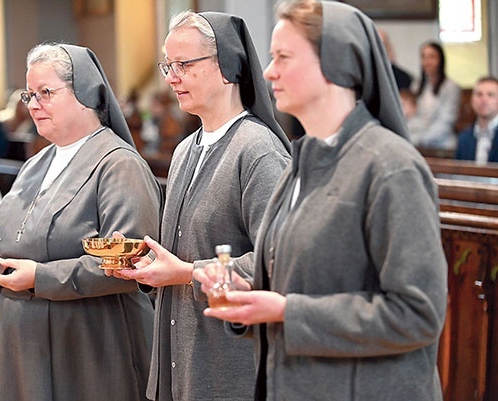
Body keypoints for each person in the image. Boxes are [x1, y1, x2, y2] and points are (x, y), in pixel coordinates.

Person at [194, 1, 447, 400]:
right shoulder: (302, 161)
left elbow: (417, 315)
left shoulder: (389, 167)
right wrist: (245, 294)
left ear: (337, 65)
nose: (267, 71)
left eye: (284, 57)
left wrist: (285, 311)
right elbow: (302, 282)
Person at [110, 11, 291, 401]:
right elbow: (180, 255)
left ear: (226, 66)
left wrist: (187, 273)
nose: (170, 77)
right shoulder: (183, 152)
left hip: (229, 365)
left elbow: (279, 262)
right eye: (167, 65)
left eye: (184, 65)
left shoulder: (257, 151)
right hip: (179, 358)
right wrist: (148, 266)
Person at [0, 43, 162, 401]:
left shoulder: (118, 165)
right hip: (24, 347)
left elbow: (130, 263)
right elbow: (13, 240)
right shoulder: (34, 165)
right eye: (30, 94)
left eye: (46, 92)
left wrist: (40, 278)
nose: (33, 104)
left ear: (85, 93)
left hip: (89, 348)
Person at [408, 41, 461, 150]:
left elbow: (446, 122)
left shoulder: (451, 87)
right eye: (424, 57)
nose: (427, 62)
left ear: (441, 60)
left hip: (441, 143)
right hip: (416, 141)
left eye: (432, 57)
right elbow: (410, 116)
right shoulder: (416, 85)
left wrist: (421, 139)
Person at [455, 76, 498, 163]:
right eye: (479, 94)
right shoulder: (464, 138)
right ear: (472, 100)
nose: (484, 100)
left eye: (490, 95)